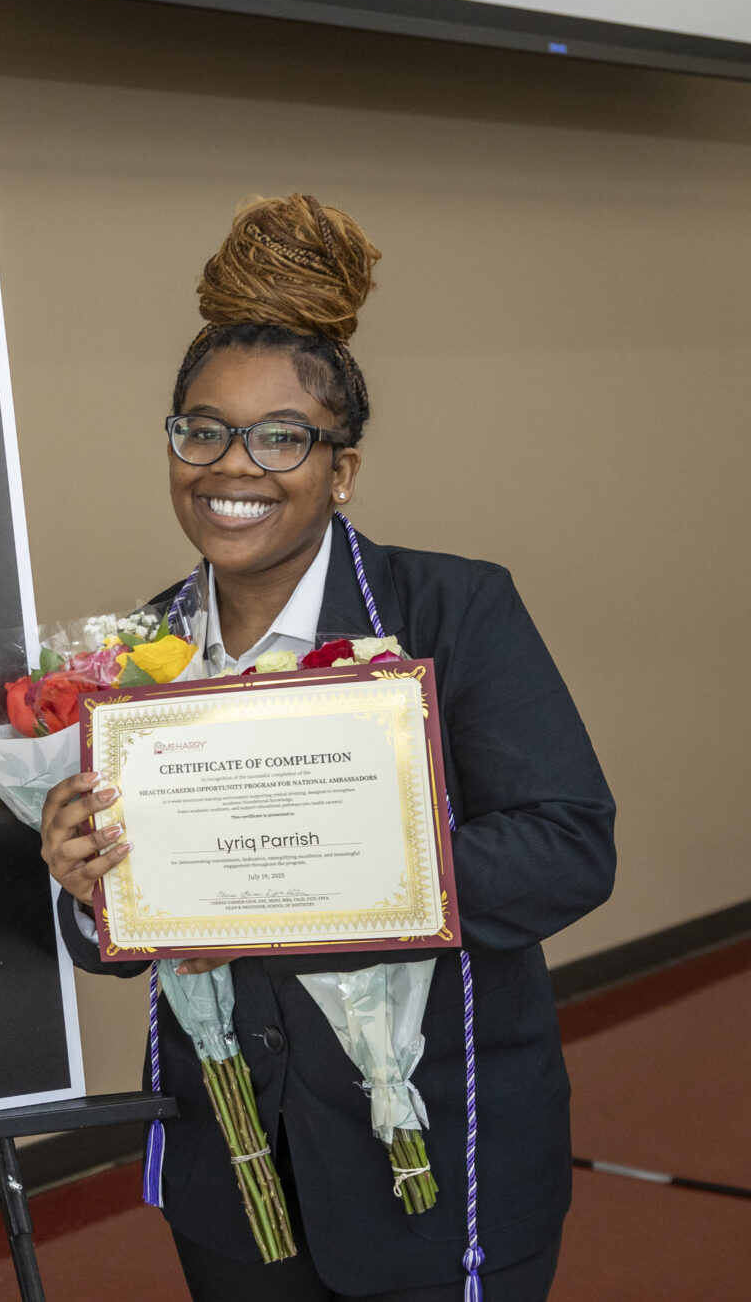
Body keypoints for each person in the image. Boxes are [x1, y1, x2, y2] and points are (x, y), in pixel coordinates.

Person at [40, 195, 614, 1300]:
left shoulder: (452, 611)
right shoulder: (138, 655)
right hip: (235, 1165)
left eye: (279, 437)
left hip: (442, 1156)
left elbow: (566, 848)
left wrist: (341, 870)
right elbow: (114, 939)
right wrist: (80, 883)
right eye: (199, 429)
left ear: (339, 468)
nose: (229, 466)